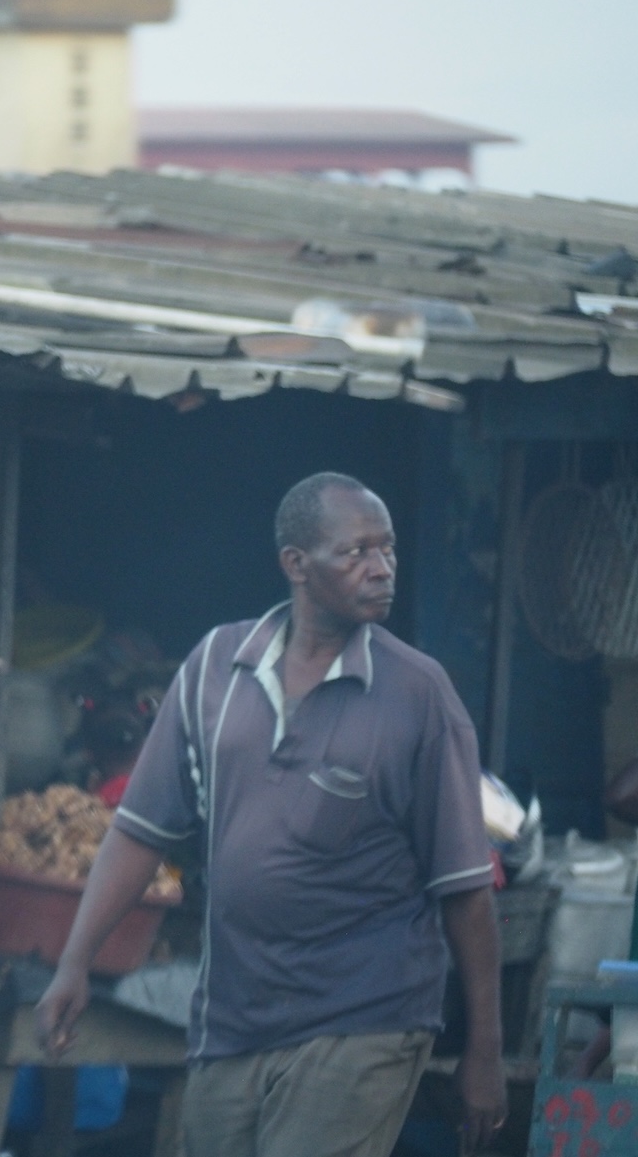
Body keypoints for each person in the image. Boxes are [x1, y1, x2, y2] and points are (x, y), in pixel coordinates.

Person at [36, 472, 506, 1157]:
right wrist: (74, 962)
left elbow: (465, 888)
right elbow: (141, 830)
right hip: (232, 1019)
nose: (382, 569)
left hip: (363, 1015)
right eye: (356, 553)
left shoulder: (417, 694)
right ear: (296, 564)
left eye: (389, 550)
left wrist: (485, 1050)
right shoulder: (216, 667)